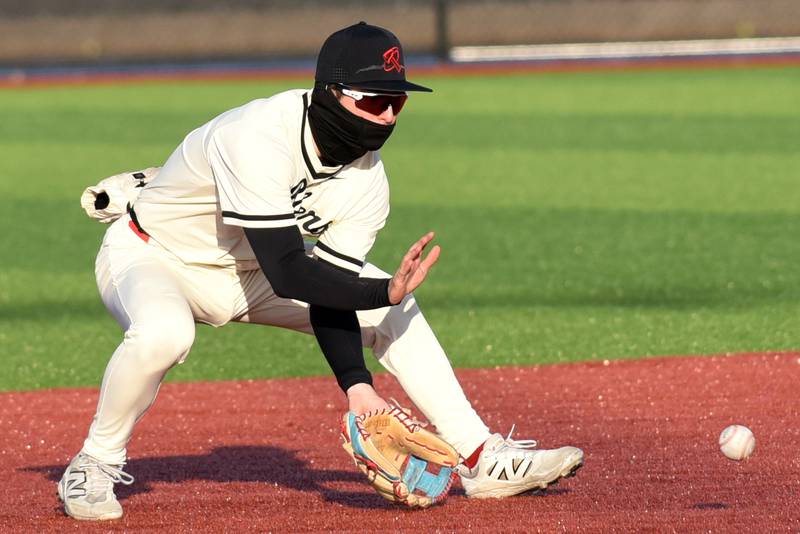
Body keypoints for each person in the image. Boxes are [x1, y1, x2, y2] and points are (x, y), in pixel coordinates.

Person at [59, 22, 583, 521]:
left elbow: (329, 285)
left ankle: (480, 458)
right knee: (163, 334)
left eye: (396, 102)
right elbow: (291, 274)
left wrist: (358, 387)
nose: (388, 117)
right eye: (375, 100)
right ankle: (94, 464)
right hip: (153, 256)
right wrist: (381, 289)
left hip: (250, 273)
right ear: (332, 93)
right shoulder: (257, 134)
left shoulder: (366, 183)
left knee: (389, 308)